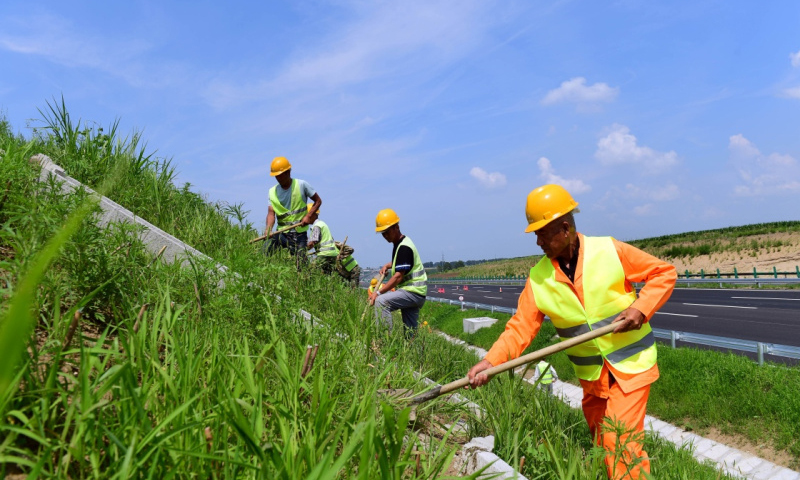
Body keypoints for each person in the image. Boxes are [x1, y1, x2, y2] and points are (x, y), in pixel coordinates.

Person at [466, 184, 676, 480]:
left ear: (565, 228)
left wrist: (641, 308)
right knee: (602, 447)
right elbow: (520, 328)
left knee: (620, 447)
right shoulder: (539, 278)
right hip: (594, 380)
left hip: (632, 367)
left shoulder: (609, 250)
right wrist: (490, 362)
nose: (537, 241)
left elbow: (663, 272)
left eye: (542, 233)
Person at [368, 209, 427, 337]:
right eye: (383, 233)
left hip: (412, 292)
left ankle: (384, 344)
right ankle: (413, 353)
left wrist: (377, 293)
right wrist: (387, 265)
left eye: (387, 232)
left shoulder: (404, 247)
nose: (385, 236)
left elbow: (398, 277)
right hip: (415, 292)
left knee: (381, 302)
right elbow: (401, 263)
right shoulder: (400, 243)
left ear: (396, 227)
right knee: (410, 332)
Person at [264, 157, 321, 263]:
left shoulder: (301, 185)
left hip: (299, 233)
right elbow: (271, 214)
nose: (278, 178)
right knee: (266, 250)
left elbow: (318, 201)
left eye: (280, 175)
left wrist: (308, 216)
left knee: (301, 263)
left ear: (288, 172)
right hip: (282, 232)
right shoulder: (272, 192)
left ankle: (304, 276)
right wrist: (268, 229)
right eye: (276, 176)